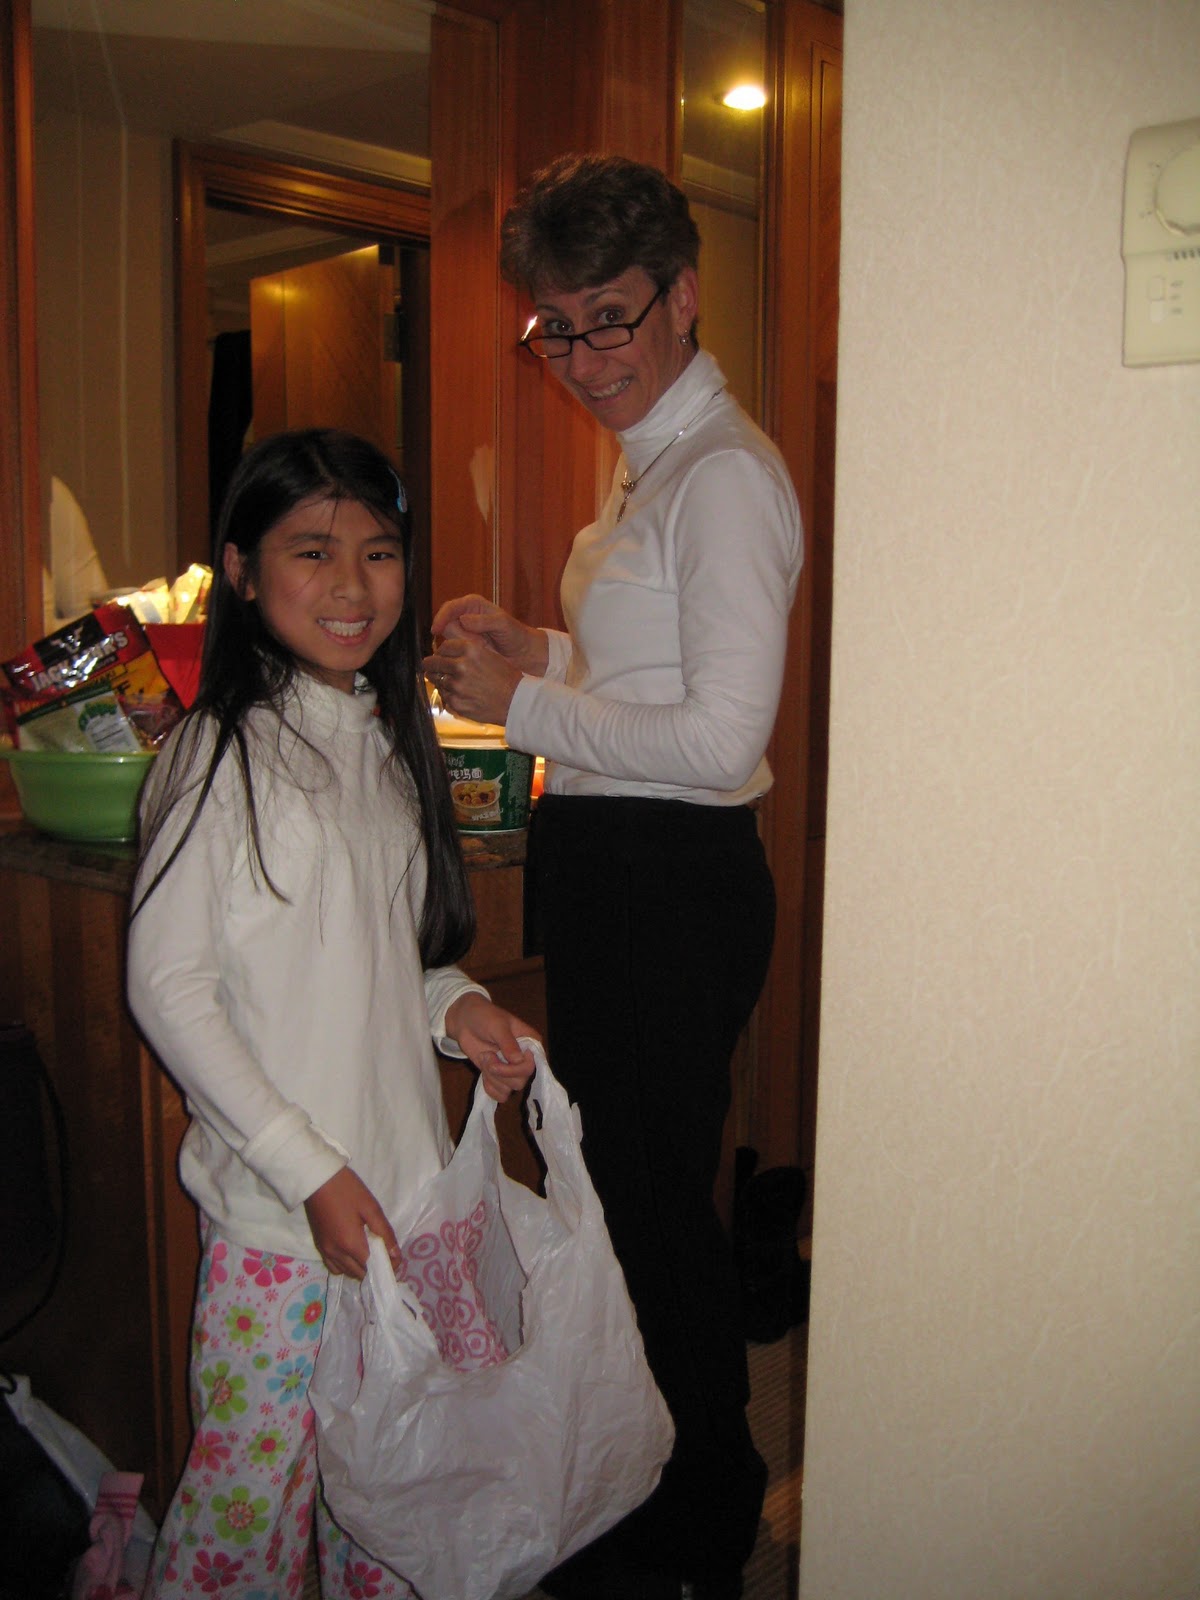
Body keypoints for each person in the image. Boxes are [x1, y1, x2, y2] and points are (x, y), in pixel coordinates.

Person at [424, 154, 803, 1600]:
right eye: (558, 328)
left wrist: (522, 708)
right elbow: (653, 671)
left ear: (683, 296)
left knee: (651, 1211)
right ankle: (679, 1487)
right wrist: (537, 649)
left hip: (666, 876)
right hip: (625, 867)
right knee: (640, 1199)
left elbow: (719, 741)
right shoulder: (659, 464)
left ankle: (704, 1510)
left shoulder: (724, 479)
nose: (583, 359)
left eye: (611, 319)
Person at [126, 428, 538, 1598]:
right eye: (312, 551)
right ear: (243, 570)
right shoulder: (218, 752)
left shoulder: (387, 743)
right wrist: (308, 1169)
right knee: (246, 1522)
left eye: (379, 551)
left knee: (396, 1503)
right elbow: (169, 984)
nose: (353, 585)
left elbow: (381, 959)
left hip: (404, 1210)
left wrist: (457, 1006)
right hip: (282, 1226)